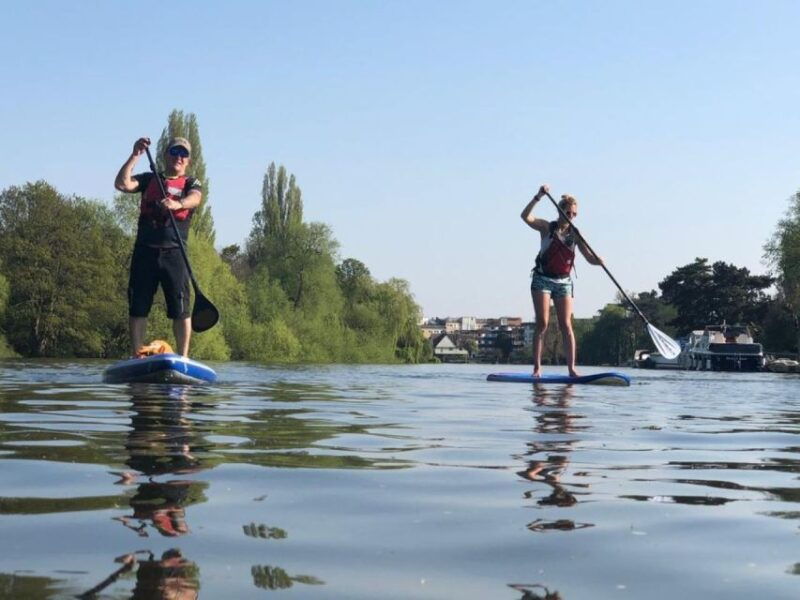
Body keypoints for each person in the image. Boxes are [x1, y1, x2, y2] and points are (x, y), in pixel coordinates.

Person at [114, 137, 203, 357]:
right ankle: (137, 354)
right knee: (138, 307)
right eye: (175, 151)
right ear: (166, 154)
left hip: (175, 254)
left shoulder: (192, 183)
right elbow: (122, 184)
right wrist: (135, 155)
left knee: (181, 310)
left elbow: (196, 199)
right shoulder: (149, 179)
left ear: (188, 161)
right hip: (145, 252)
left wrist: (177, 203)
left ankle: (182, 357)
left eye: (184, 154)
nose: (179, 157)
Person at [520, 184, 603, 377]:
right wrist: (538, 196)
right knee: (542, 323)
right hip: (542, 279)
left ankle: (572, 369)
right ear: (560, 211)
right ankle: (537, 368)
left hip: (563, 281)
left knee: (566, 325)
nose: (571, 216)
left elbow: (589, 258)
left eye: (574, 214)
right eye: (568, 212)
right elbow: (525, 217)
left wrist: (598, 262)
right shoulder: (547, 227)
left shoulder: (575, 234)